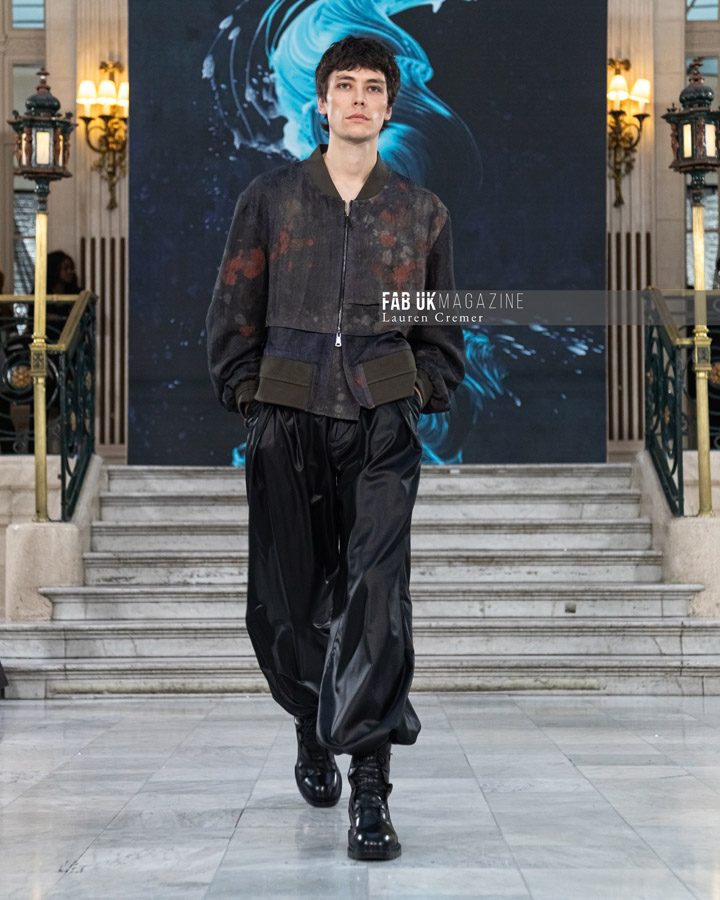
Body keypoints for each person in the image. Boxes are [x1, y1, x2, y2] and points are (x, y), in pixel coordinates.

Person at [207, 35, 465, 861]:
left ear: (390, 106)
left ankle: (372, 787)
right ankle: (312, 717)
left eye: (372, 88)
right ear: (321, 102)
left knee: (376, 599)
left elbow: (441, 331)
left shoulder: (422, 212)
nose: (358, 98)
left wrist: (418, 390)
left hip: (382, 422)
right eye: (344, 86)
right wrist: (250, 399)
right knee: (287, 605)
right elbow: (234, 312)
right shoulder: (271, 199)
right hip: (288, 416)